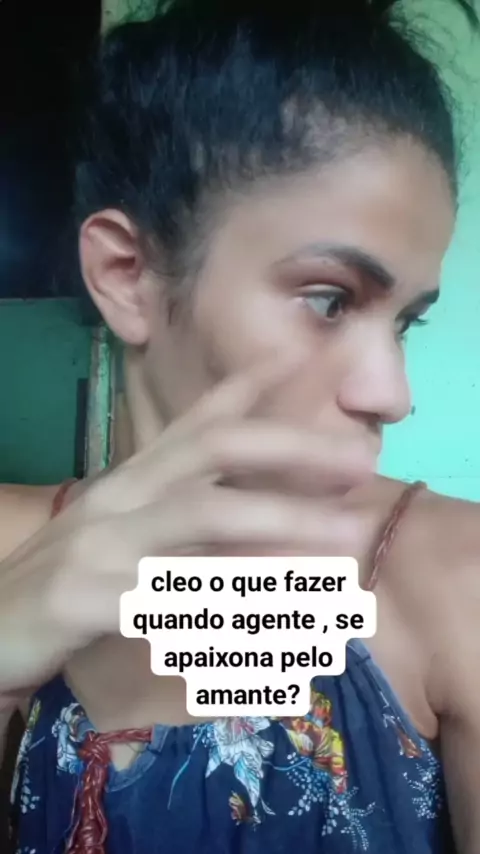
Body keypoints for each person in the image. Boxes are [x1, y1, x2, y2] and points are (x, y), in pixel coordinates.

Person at [1, 0, 480, 851]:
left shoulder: (456, 579)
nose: (391, 392)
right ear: (128, 274)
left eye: (405, 322)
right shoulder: (11, 553)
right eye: (329, 299)